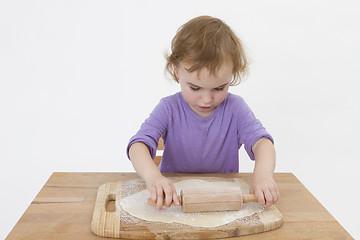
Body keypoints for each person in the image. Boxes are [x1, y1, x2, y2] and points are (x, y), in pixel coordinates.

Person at [127, 15, 280, 210]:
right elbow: (137, 146)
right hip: (174, 202)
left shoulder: (236, 108)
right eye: (195, 88)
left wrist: (263, 176)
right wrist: (153, 177)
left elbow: (263, 143)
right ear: (176, 71)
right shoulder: (168, 108)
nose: (207, 99)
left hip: (222, 201)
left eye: (219, 88)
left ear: (231, 75)